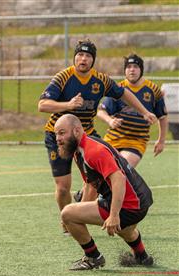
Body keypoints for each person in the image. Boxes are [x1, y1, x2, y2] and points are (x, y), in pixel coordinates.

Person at [38, 39, 157, 234]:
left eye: (87, 56)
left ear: (93, 60)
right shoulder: (64, 77)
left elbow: (124, 93)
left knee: (93, 181)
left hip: (86, 135)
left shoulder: (100, 80)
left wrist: (144, 111)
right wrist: (68, 105)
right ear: (75, 57)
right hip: (58, 136)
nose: (83, 59)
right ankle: (67, 218)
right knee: (62, 188)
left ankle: (79, 217)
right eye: (80, 55)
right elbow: (42, 104)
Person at [55, 114, 154, 270]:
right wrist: (81, 209)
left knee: (67, 213)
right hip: (141, 199)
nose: (57, 138)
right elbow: (90, 185)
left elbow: (119, 179)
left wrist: (113, 215)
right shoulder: (80, 149)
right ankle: (142, 256)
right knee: (125, 230)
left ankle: (93, 257)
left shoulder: (92, 151)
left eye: (62, 133)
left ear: (76, 131)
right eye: (56, 134)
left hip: (130, 204)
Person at [97, 54, 168, 168]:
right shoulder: (119, 88)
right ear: (125, 70)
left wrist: (161, 141)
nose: (132, 70)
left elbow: (163, 117)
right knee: (97, 174)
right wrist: (110, 120)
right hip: (112, 139)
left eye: (135, 66)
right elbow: (101, 111)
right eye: (128, 67)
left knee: (121, 168)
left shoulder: (153, 90)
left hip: (136, 142)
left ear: (141, 70)